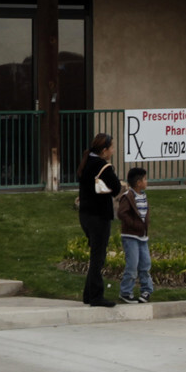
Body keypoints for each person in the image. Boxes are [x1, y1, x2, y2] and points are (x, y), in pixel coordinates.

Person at [76, 132, 122, 307]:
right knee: (98, 256)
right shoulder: (103, 166)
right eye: (111, 148)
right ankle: (95, 296)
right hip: (99, 216)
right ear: (104, 150)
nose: (113, 151)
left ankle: (88, 294)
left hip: (85, 215)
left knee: (95, 254)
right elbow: (116, 188)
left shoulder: (85, 162)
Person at [114, 167, 152, 303]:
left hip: (142, 237)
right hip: (131, 237)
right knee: (132, 265)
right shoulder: (128, 197)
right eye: (145, 179)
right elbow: (121, 213)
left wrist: (144, 227)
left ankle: (146, 290)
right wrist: (134, 225)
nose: (147, 182)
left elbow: (145, 214)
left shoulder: (143, 196)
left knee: (145, 264)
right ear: (138, 182)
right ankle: (125, 292)